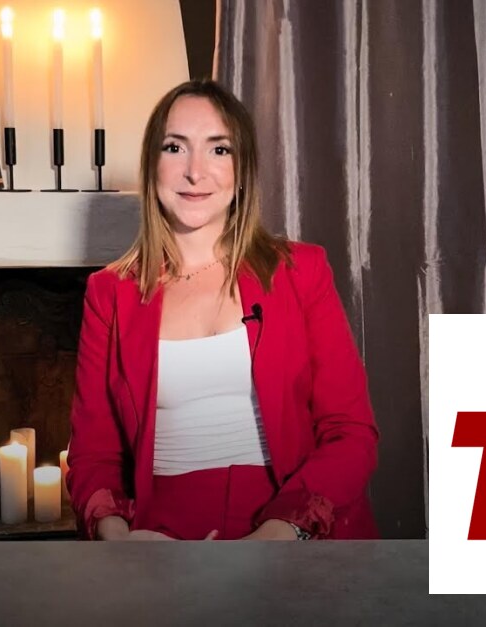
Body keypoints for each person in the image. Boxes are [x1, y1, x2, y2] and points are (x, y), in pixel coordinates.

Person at [66, 79, 378, 541]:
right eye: (175, 147)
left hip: (291, 524)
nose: (195, 172)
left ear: (242, 168)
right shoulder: (108, 293)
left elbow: (350, 433)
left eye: (219, 149)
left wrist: (280, 532)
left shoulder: (302, 271)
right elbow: (94, 455)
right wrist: (123, 542)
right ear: (151, 165)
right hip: (162, 537)